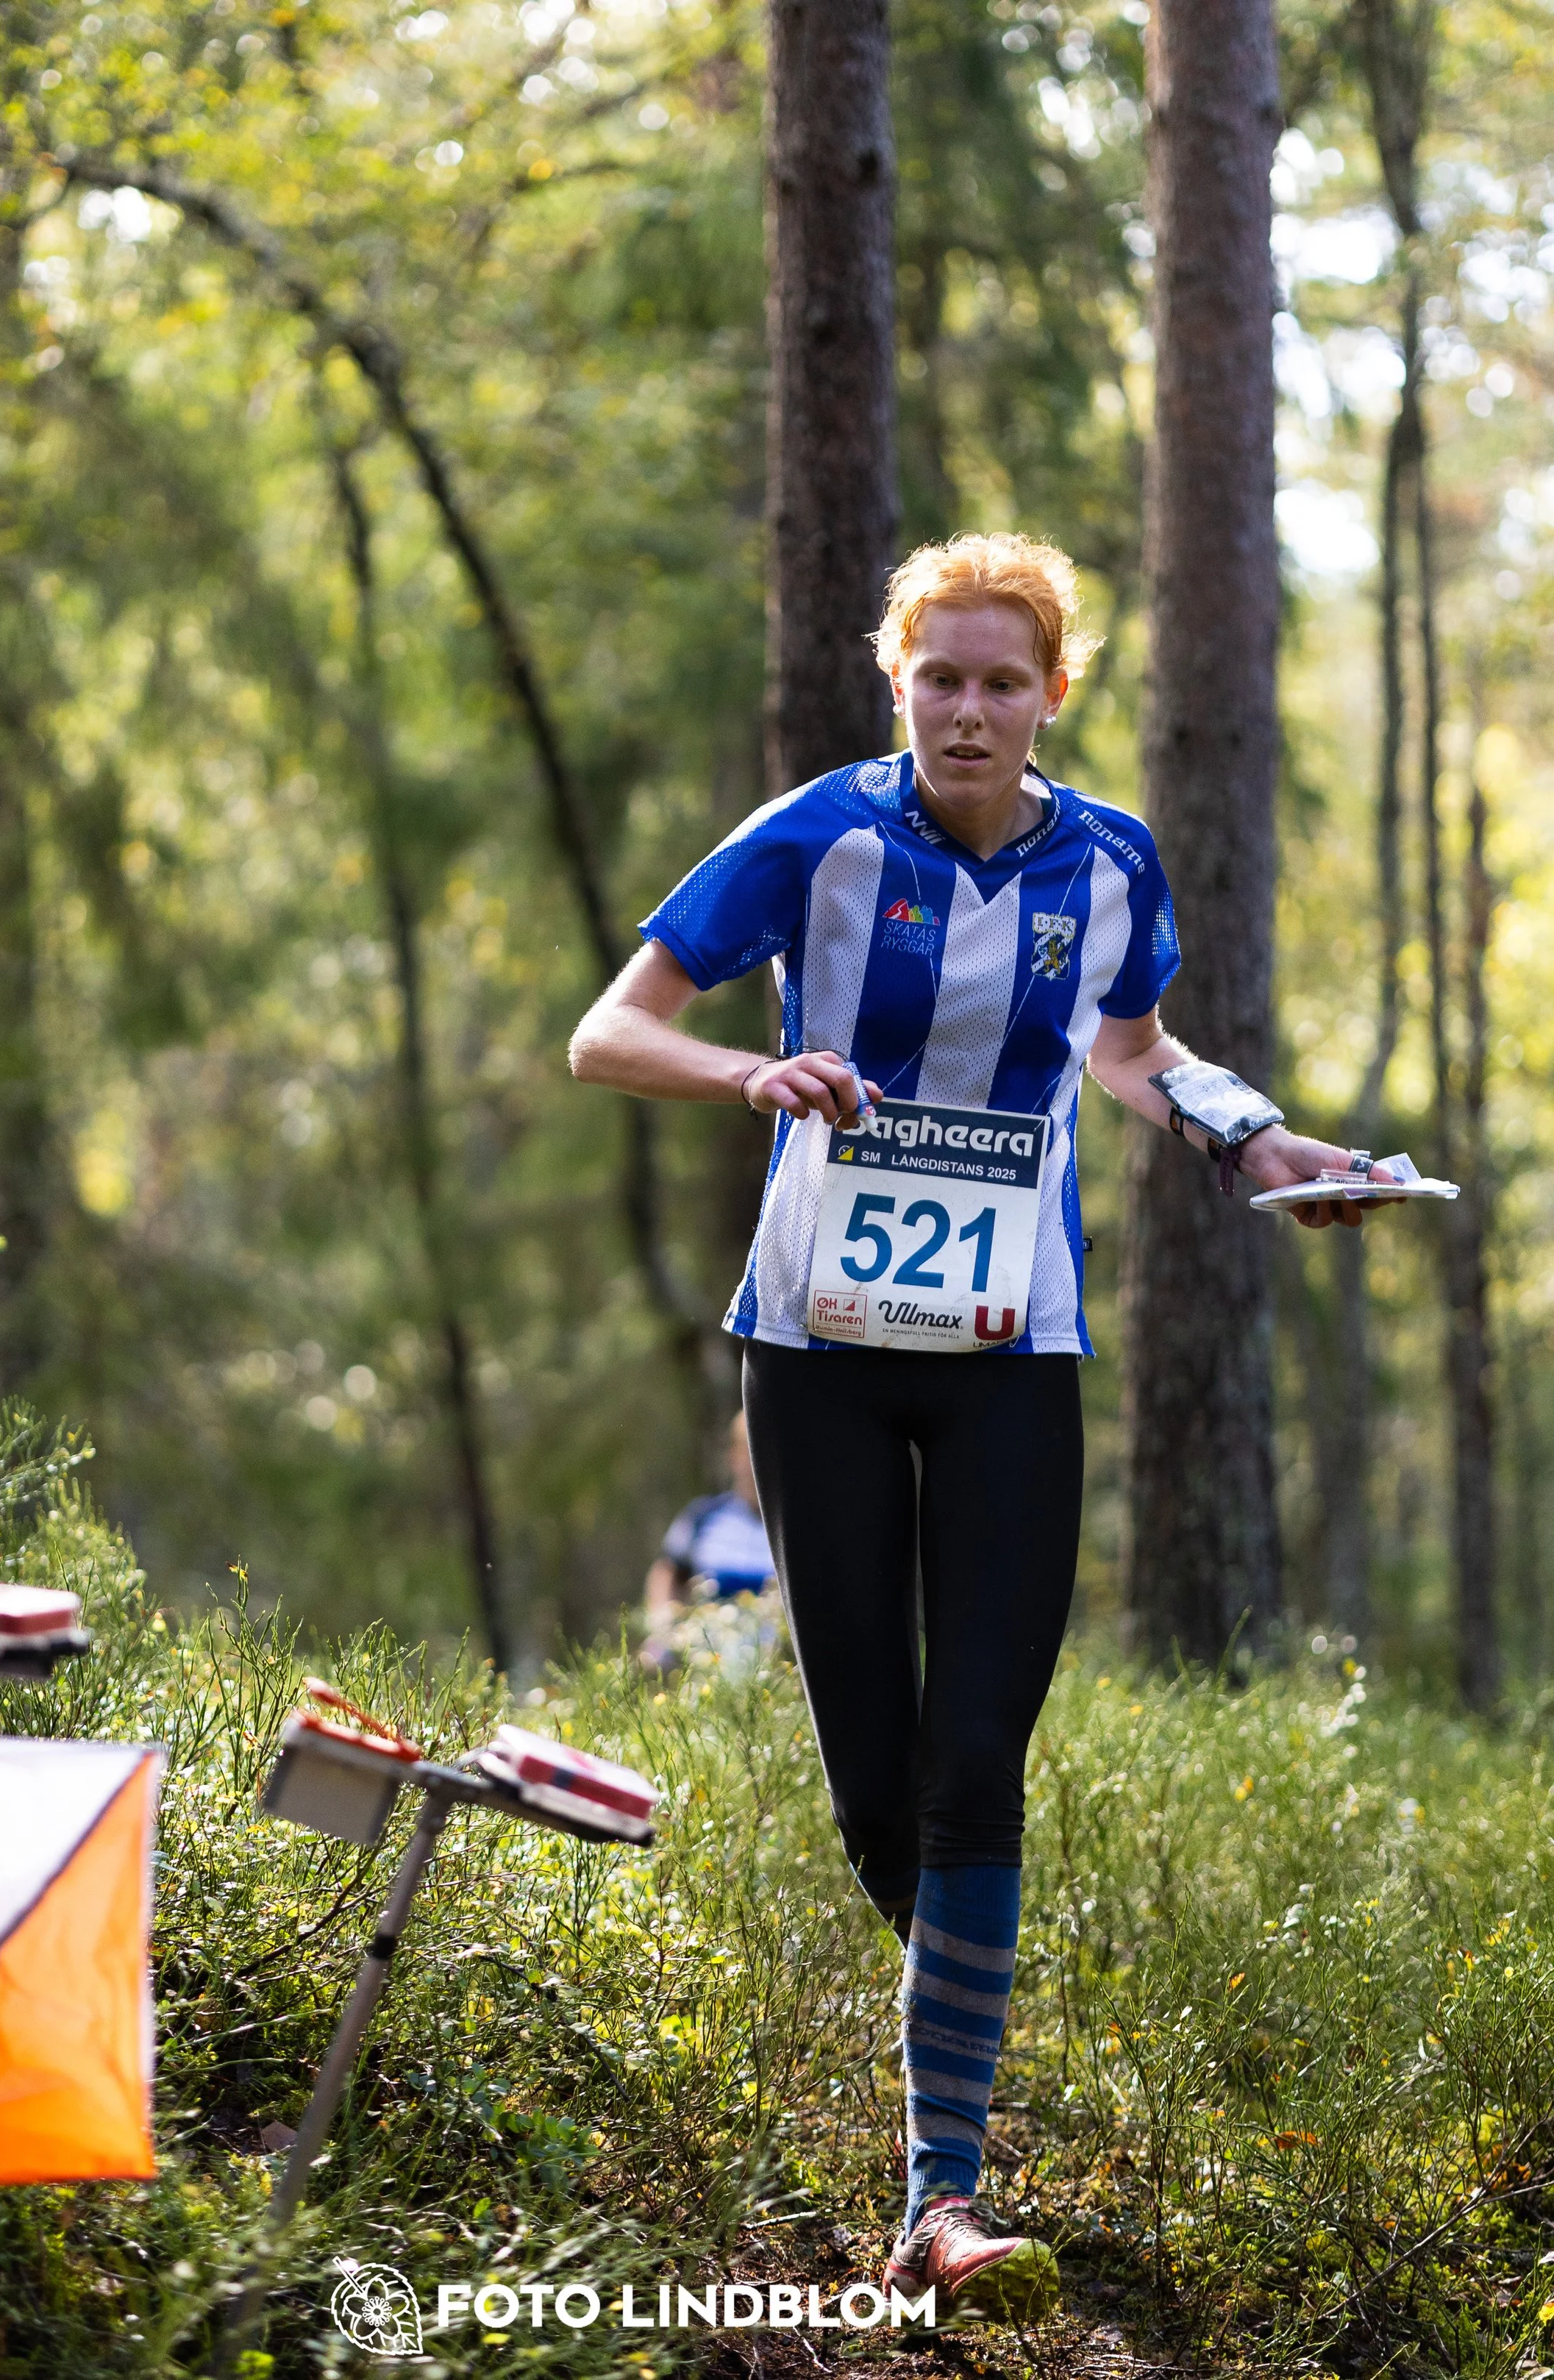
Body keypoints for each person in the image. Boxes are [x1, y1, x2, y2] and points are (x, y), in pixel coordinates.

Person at [569, 532, 1391, 2323]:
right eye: (938, 675)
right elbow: (604, 1035)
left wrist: (1265, 1145)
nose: (967, 707)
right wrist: (752, 1070)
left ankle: (943, 2195)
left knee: (977, 1764)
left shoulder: (1109, 859)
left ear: (1051, 696)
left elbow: (1132, 1046)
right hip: (820, 1343)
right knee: (879, 1777)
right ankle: (966, 2004)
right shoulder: (817, 836)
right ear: (898, 680)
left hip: (1015, 1350)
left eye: (1001, 679)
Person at [640, 1411, 779, 1673]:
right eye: (753, 1450)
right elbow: (667, 1573)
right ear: (734, 1458)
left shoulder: (797, 1526)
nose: (761, 1462)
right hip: (709, 1666)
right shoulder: (704, 1517)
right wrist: (664, 1631)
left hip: (778, 1668)